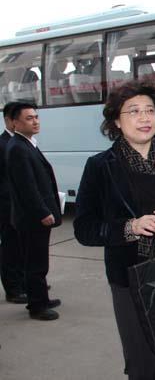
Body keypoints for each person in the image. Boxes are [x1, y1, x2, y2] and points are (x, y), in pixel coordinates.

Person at [73, 80, 155, 379]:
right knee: (141, 363)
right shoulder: (100, 166)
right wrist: (130, 227)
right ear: (116, 121)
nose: (144, 118)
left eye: (150, 110)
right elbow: (84, 228)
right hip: (128, 279)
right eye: (133, 111)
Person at [6, 102, 62, 320]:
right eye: (29, 118)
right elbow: (26, 187)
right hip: (32, 218)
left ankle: (41, 299)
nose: (35, 121)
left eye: (36, 117)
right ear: (14, 123)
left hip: (34, 217)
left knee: (38, 261)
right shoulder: (17, 148)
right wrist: (42, 212)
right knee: (35, 263)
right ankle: (37, 306)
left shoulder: (27, 143)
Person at [0, 102, 27, 304]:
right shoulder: (3, 144)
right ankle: (13, 289)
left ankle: (26, 282)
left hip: (21, 206)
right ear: (10, 120)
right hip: (7, 205)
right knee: (10, 248)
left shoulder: (22, 142)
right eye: (25, 118)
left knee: (22, 246)